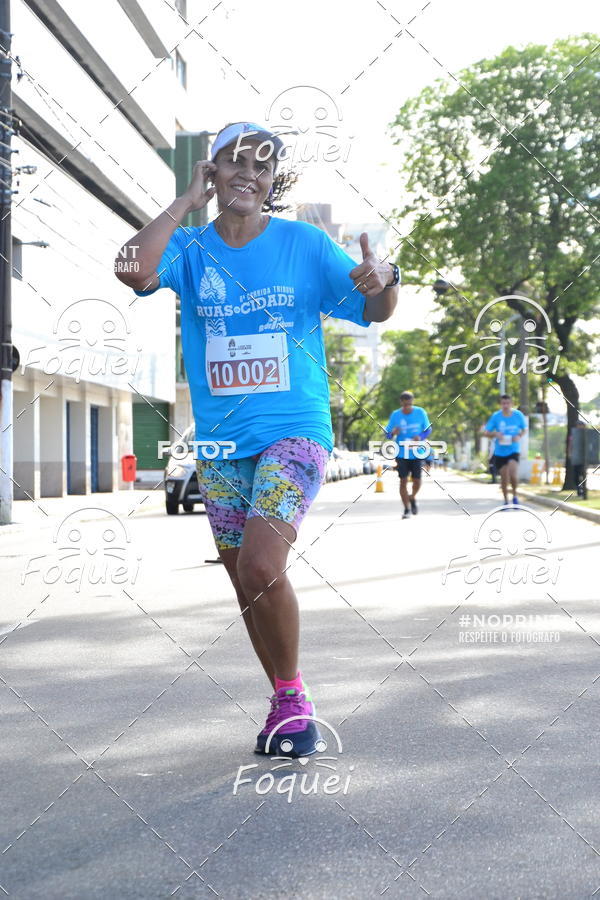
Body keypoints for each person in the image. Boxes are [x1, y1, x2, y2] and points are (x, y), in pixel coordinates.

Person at [114, 122, 399, 758]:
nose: (250, 173)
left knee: (262, 563)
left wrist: (387, 281)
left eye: (263, 167)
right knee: (245, 580)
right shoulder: (190, 249)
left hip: (293, 429)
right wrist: (185, 203)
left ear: (274, 182)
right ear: (212, 171)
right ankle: (282, 700)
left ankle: (294, 701)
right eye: (235, 162)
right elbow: (132, 271)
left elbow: (372, 307)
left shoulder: (303, 242)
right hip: (220, 441)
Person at [385, 391, 431, 519]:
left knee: (417, 481)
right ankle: (406, 509)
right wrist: (393, 432)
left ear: (413, 402)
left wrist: (420, 437)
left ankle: (412, 497)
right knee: (403, 481)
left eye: (410, 404)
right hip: (401, 454)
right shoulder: (395, 415)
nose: (407, 407)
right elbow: (387, 434)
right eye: (405, 405)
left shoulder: (420, 412)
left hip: (417, 453)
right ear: (401, 403)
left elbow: (428, 429)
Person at [483, 394, 527, 506]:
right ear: (500, 404)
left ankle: (515, 495)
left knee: (513, 473)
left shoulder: (518, 415)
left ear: (511, 404)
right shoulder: (496, 416)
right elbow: (486, 433)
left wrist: (519, 436)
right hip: (500, 451)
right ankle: (506, 500)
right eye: (503, 403)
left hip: (514, 449)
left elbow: (524, 429)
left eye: (508, 403)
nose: (506, 405)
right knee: (504, 477)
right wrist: (495, 434)